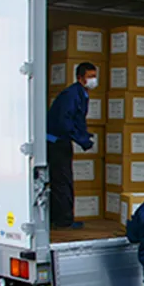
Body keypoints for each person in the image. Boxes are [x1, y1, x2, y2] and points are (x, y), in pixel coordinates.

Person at [46, 61, 97, 229]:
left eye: (94, 76)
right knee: (62, 181)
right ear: (80, 78)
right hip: (56, 141)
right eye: (90, 77)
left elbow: (77, 120)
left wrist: (84, 135)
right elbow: (64, 121)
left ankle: (59, 217)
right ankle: (63, 220)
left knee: (63, 179)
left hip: (62, 140)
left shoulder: (82, 94)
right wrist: (81, 140)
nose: (93, 80)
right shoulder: (71, 95)